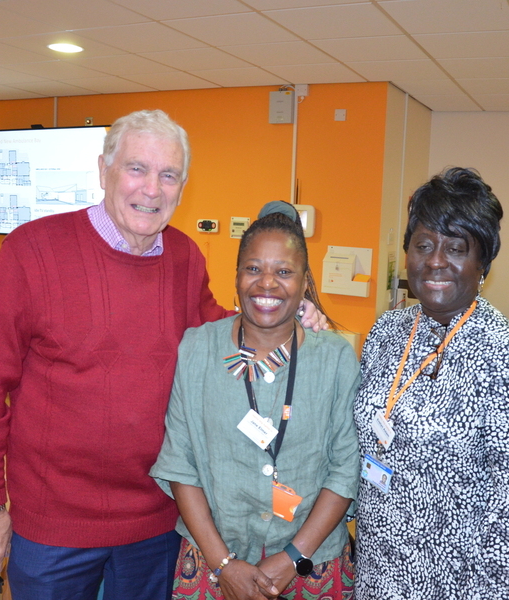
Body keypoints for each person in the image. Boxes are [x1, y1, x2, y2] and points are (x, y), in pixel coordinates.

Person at [0, 110, 325, 600]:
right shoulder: (33, 251)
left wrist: (288, 319)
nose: (152, 189)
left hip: (154, 523)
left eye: (168, 175)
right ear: (103, 169)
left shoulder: (184, 257)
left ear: (182, 185)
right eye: (136, 169)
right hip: (53, 529)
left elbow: (223, 338)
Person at [353, 167, 509, 600]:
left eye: (456, 248)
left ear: (483, 263)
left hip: (451, 583)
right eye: (423, 245)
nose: (436, 260)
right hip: (373, 572)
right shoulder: (387, 331)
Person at [151, 201, 360, 600]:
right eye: (253, 269)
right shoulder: (197, 349)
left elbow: (344, 469)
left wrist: (292, 558)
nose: (267, 283)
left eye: (284, 272)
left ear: (303, 282)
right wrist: (223, 564)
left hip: (312, 564)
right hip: (214, 563)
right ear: (236, 276)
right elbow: (181, 464)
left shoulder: (334, 358)